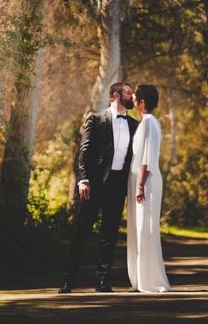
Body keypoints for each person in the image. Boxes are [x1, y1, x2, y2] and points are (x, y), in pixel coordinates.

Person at [59, 82, 139, 293]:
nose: (132, 96)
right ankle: (68, 279)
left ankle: (102, 281)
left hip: (118, 185)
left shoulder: (134, 124)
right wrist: (83, 179)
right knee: (82, 231)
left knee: (110, 234)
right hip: (93, 185)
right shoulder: (96, 118)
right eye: (129, 93)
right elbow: (84, 151)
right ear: (116, 95)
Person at [126, 84, 171, 293]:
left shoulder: (149, 123)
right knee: (139, 227)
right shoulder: (149, 123)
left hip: (147, 182)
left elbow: (146, 157)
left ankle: (149, 280)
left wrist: (140, 186)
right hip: (142, 181)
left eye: (135, 99)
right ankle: (140, 278)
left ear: (142, 102)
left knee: (146, 227)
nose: (132, 102)